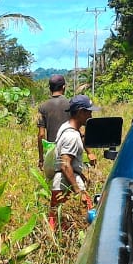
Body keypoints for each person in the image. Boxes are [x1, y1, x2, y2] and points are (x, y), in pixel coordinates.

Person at [44, 93, 98, 229]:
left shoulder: (66, 127)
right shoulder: (71, 136)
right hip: (65, 185)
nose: (91, 116)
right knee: (82, 222)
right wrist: (78, 191)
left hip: (62, 183)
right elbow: (65, 164)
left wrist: (80, 173)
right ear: (80, 112)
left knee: (58, 224)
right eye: (88, 112)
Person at [35, 73, 71, 164]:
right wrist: (89, 152)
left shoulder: (42, 107)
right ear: (63, 87)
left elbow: (41, 135)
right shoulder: (71, 104)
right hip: (70, 150)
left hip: (53, 151)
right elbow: (80, 131)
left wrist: (41, 159)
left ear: (50, 88)